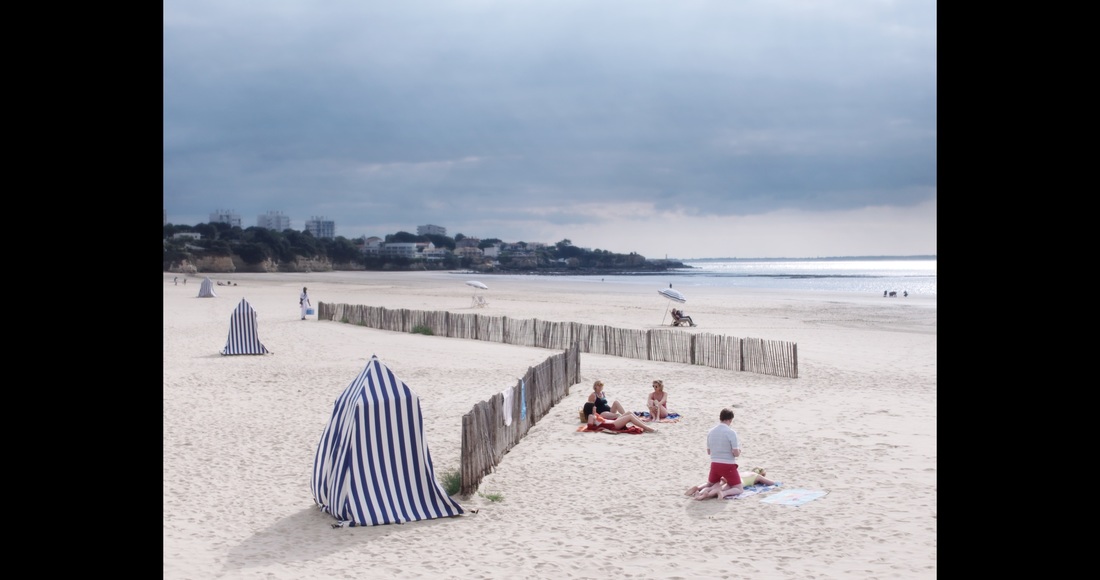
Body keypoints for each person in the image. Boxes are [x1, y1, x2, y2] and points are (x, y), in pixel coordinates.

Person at [700, 408, 741, 499]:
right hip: (728, 465)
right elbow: (736, 453)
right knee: (738, 488)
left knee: (711, 484)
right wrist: (739, 451)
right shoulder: (731, 432)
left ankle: (699, 492)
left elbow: (709, 452)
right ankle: (723, 493)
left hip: (714, 464)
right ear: (730, 419)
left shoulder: (711, 431)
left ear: (720, 418)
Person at [685, 467, 775, 499]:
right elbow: (771, 483)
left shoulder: (745, 472)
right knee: (720, 489)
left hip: (731, 476)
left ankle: (699, 490)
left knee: (714, 486)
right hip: (739, 481)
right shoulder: (757, 476)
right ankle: (705, 495)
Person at [583, 403, 656, 433]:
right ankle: (647, 428)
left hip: (613, 422)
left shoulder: (595, 414)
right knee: (630, 416)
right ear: (591, 408)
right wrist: (601, 428)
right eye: (594, 407)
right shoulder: (591, 416)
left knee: (629, 412)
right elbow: (590, 427)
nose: (595, 407)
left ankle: (644, 425)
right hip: (611, 425)